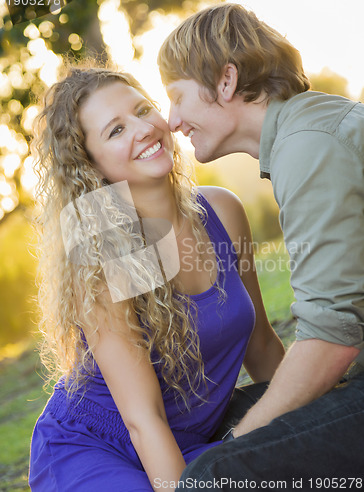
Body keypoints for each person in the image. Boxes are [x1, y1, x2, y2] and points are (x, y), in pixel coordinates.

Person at [28, 64, 285, 492]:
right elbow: (141, 418)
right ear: (90, 166)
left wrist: (321, 413)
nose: (143, 129)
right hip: (95, 449)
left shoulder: (222, 211)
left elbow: (260, 345)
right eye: (115, 131)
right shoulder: (101, 250)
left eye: (143, 110)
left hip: (188, 444)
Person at [158, 2, 364, 487]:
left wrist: (238, 446)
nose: (171, 121)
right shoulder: (305, 132)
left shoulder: (308, 145)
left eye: (177, 97)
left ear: (225, 81)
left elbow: (333, 338)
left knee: (213, 474)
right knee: (209, 426)